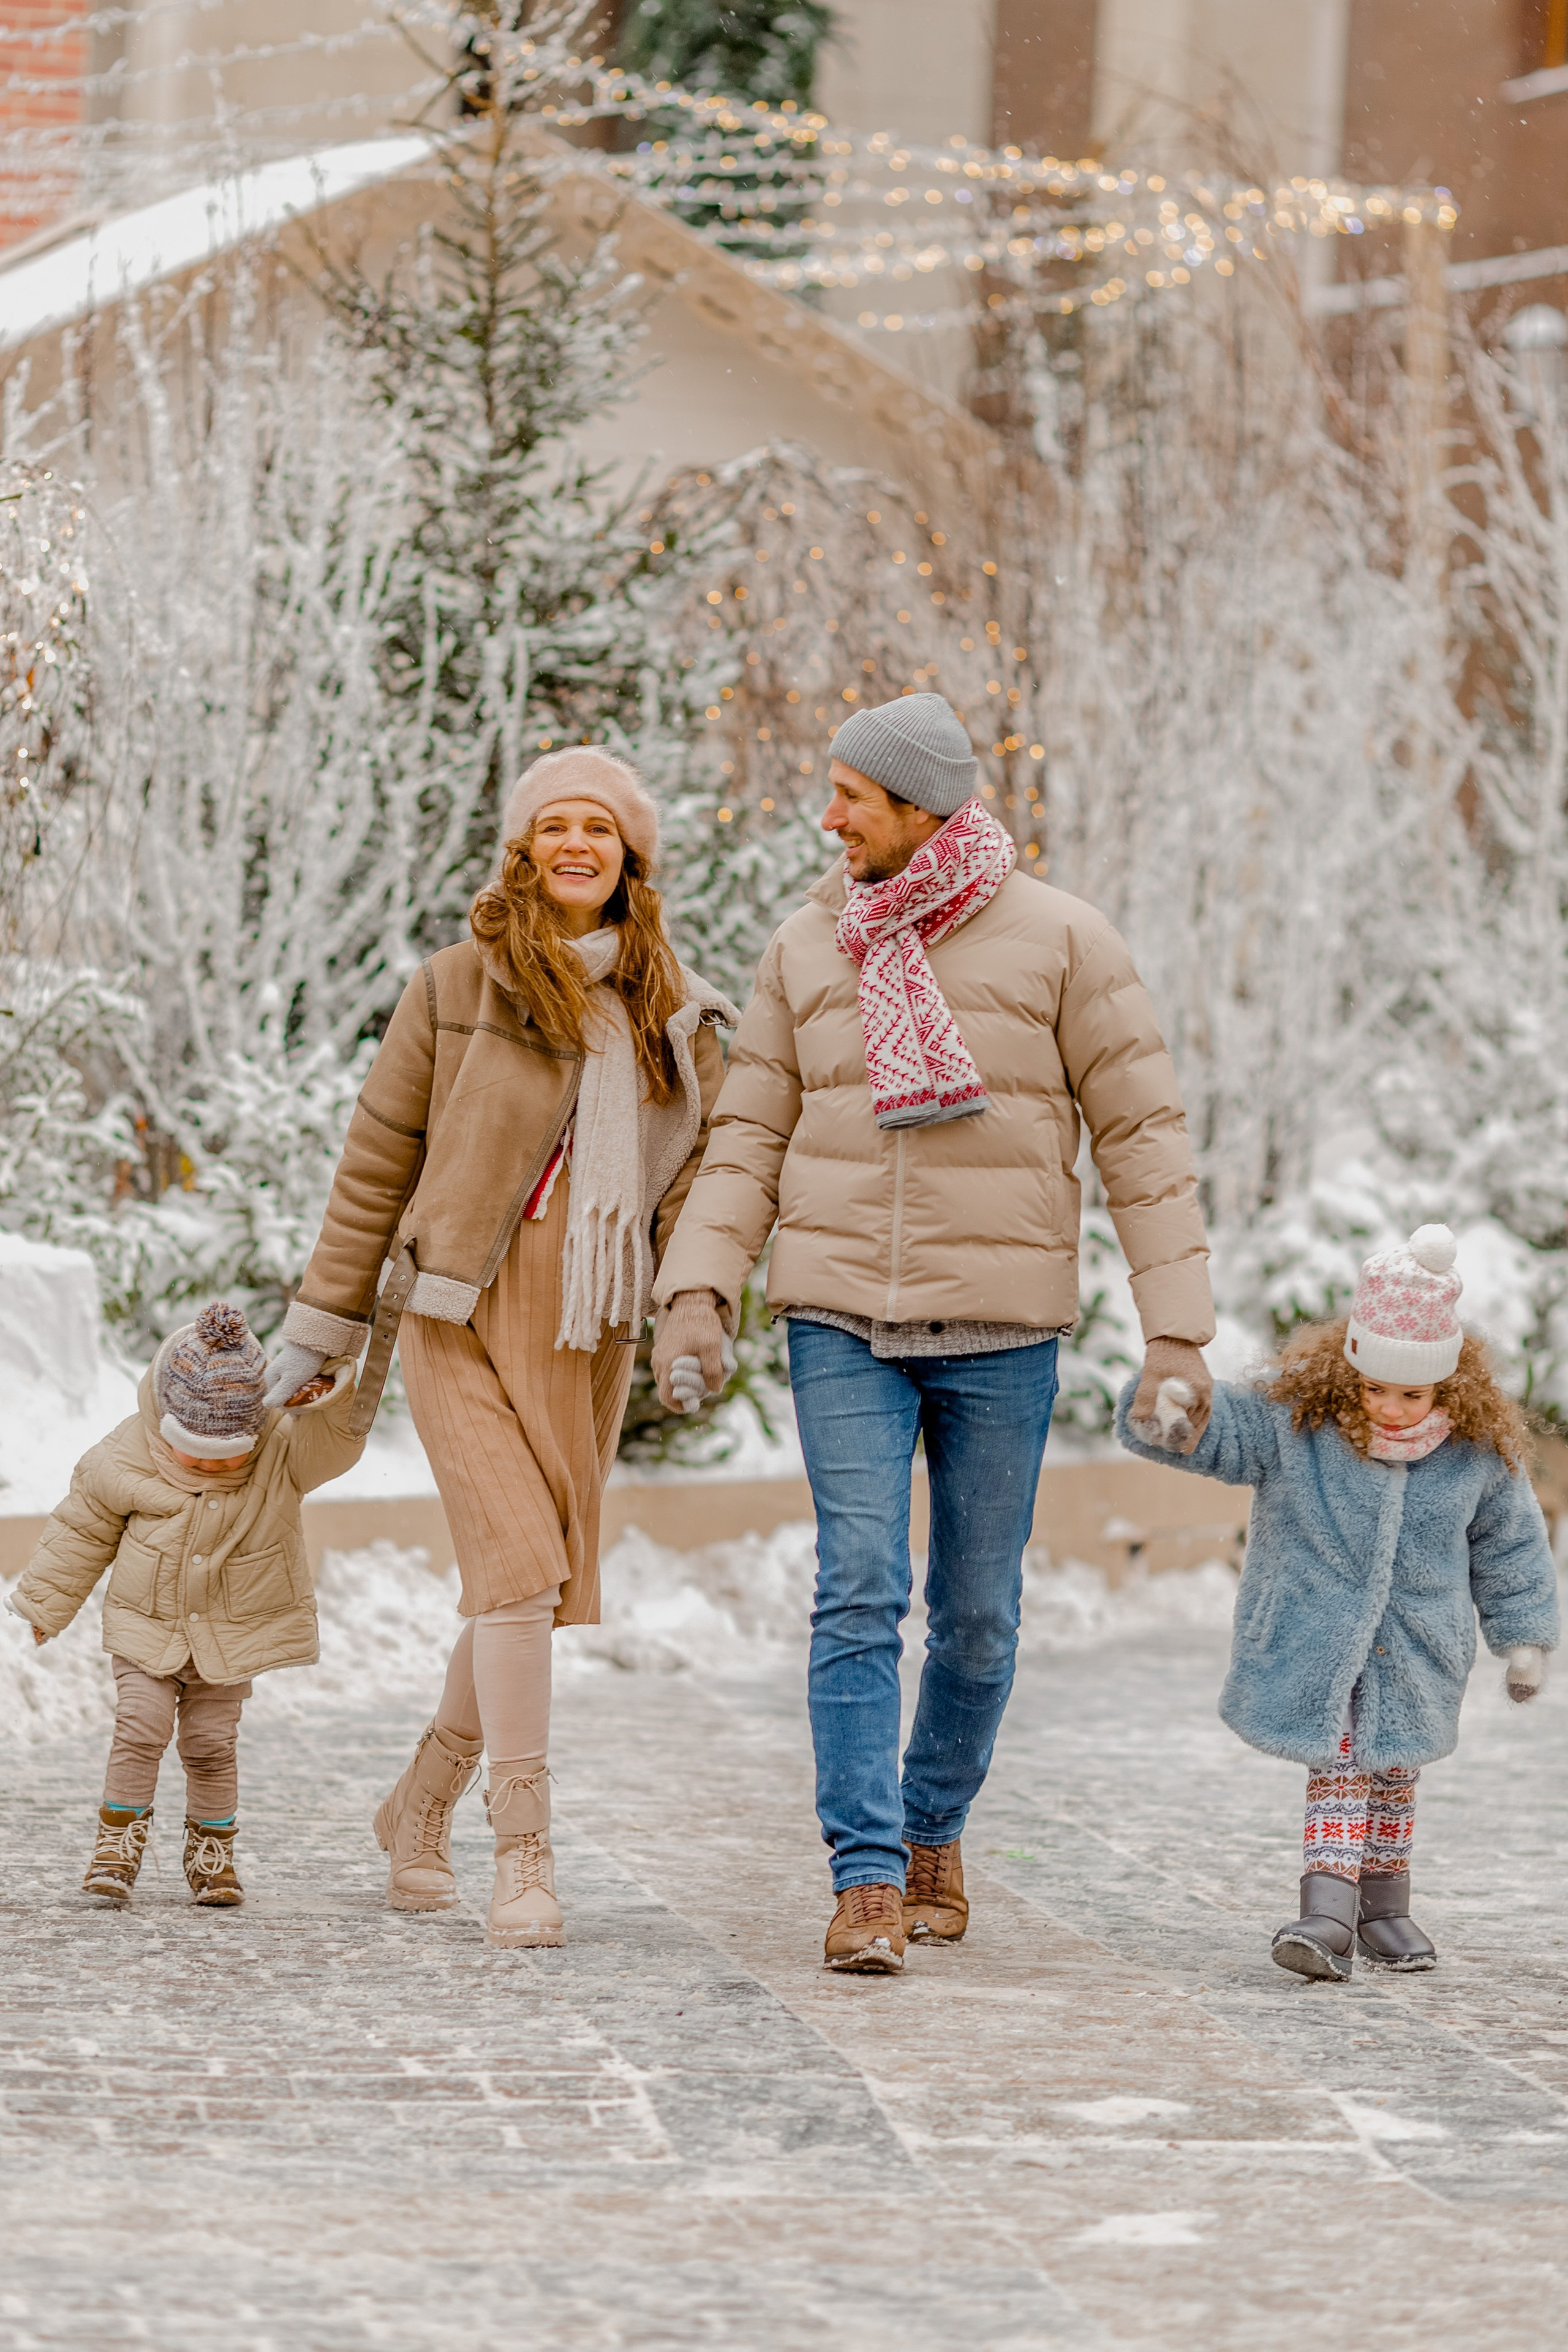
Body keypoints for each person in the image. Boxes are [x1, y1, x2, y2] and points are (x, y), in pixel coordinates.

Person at [650, 692, 1215, 1973]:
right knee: (857, 1589)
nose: (829, 818)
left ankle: (930, 1832)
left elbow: (1142, 1140)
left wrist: (1175, 1333)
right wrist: (698, 1289)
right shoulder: (809, 944)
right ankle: (863, 1877)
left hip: (1001, 1330)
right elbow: (747, 1132)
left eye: (852, 796)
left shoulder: (1064, 941)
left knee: (977, 1617)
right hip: (839, 1316)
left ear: (919, 807)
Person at [263, 750, 737, 1948]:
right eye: (553, 825)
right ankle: (523, 1850)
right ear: (523, 850)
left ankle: (418, 1804)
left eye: (599, 828)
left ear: (631, 858)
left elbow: (706, 1187)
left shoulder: (680, 1015)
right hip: (457, 1309)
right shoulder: (455, 985)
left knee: (518, 1585)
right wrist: (323, 1324)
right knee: (520, 1573)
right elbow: (377, 1160)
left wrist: (696, 1305)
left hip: (588, 1326)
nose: (575, 843)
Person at [1119, 1223, 1558, 1981]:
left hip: (1419, 1645)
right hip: (1317, 1633)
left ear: (1447, 1384)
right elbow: (1223, 1433)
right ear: (1348, 1367)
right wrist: (1176, 1413)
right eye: (1374, 1388)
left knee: (1394, 1773)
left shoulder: (1478, 1455)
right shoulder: (1298, 1425)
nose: (1391, 1407)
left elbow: (1509, 1543)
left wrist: (1522, 1638)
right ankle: (1326, 1910)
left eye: (1412, 1394)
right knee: (1342, 1765)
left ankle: (1384, 1909)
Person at [7, 1302, 361, 1907]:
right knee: (140, 1728)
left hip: (229, 1635)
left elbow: (339, 1441)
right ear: (164, 1421)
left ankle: (212, 1855)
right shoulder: (126, 1453)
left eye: (227, 1451)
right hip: (146, 1626)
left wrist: (330, 1389)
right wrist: (45, 1604)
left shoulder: (283, 1452)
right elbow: (82, 1529)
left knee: (210, 1746)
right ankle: (117, 1846)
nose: (207, 1462)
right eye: (189, 1448)